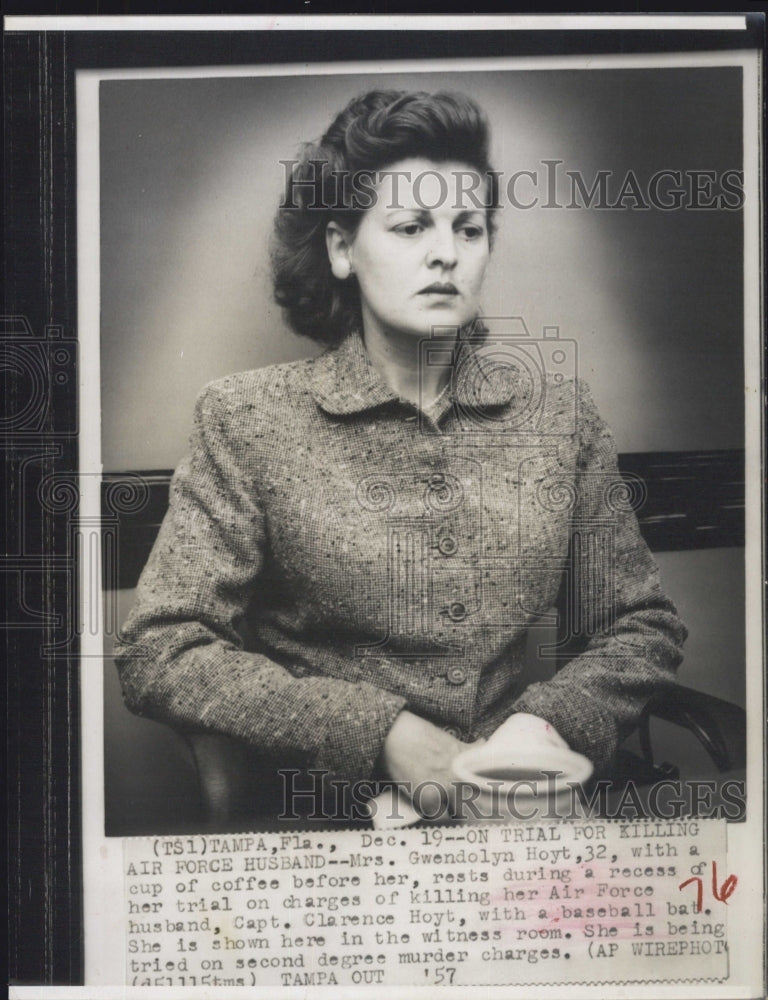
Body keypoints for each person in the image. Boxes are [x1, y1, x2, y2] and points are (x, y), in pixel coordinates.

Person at [114, 89, 686, 823]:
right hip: (335, 820)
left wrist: (545, 726)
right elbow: (161, 648)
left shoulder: (559, 416)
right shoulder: (247, 419)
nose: (446, 252)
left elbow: (641, 624)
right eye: (411, 226)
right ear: (341, 249)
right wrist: (380, 733)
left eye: (468, 229)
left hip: (524, 804)